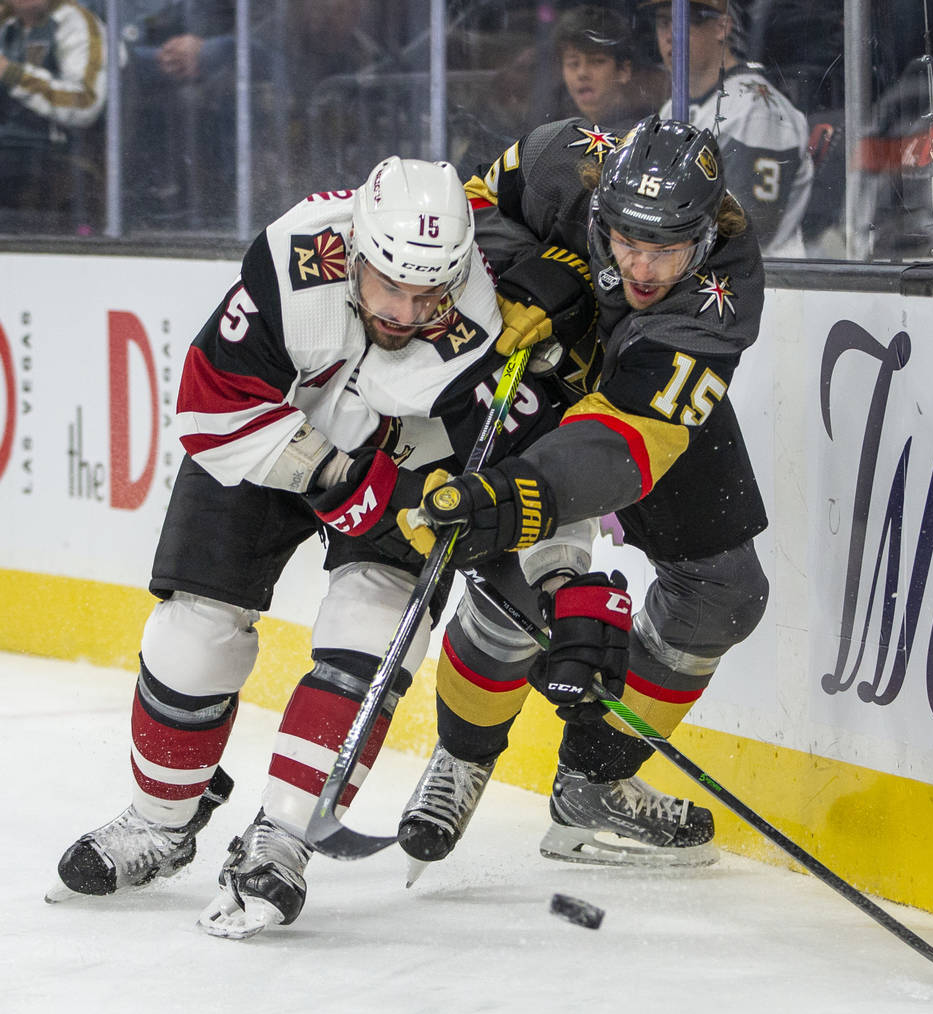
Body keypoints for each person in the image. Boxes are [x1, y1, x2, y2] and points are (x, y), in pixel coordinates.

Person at [47, 155, 562, 938]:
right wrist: (330, 474)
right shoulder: (297, 254)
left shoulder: (480, 321)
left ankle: (283, 838)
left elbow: (500, 468)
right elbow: (211, 404)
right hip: (264, 440)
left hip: (403, 463)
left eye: (429, 295)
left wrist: (530, 562)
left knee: (373, 632)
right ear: (354, 250)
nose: (406, 310)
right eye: (389, 285)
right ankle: (160, 822)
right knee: (193, 631)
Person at [386, 114, 770, 876]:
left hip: (632, 396)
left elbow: (629, 436)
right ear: (599, 208)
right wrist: (539, 266)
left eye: (667, 249)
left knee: (723, 591)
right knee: (515, 584)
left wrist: (523, 492)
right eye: (627, 241)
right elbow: (465, 213)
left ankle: (594, 783)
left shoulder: (722, 288)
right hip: (532, 368)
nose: (645, 269)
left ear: (704, 232)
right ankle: (462, 758)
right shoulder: (561, 157)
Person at [640, 0, 812, 256]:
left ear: (722, 27)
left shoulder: (756, 109)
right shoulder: (672, 108)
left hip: (766, 284)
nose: (670, 35)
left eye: (684, 21)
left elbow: (748, 231)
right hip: (696, 272)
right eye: (663, 22)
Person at [0, 0, 108, 227]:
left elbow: (85, 102)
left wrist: (13, 75)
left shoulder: (76, 23)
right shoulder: (6, 22)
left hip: (50, 152)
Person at [553, 5, 638, 126]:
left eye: (596, 61)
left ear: (624, 70)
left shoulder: (642, 131)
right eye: (573, 63)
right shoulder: (561, 129)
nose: (582, 73)